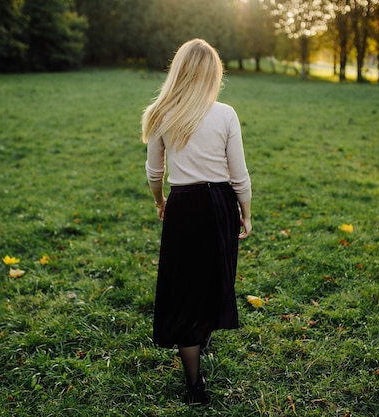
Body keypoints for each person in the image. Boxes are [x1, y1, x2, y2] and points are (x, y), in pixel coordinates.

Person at [141, 38, 252, 406]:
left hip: (184, 203)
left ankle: (194, 383)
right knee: (213, 274)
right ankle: (201, 334)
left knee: (184, 285)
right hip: (219, 203)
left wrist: (160, 202)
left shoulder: (160, 112)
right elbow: (240, 175)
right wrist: (245, 212)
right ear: (213, 75)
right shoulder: (225, 113)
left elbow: (155, 172)